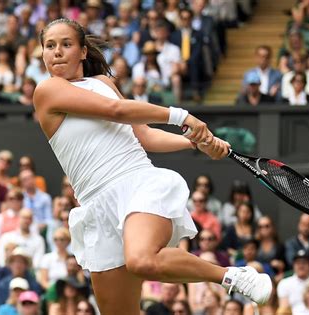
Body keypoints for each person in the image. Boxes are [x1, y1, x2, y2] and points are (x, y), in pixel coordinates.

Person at [33, 18, 272, 315]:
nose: (56, 52)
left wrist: (194, 142)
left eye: (66, 44)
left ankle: (231, 276)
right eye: (50, 46)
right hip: (97, 208)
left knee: (142, 260)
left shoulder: (104, 84)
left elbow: (143, 135)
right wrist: (183, 117)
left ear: (82, 52)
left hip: (137, 184)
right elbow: (116, 110)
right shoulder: (46, 91)